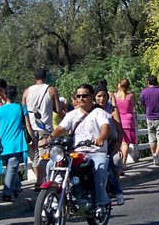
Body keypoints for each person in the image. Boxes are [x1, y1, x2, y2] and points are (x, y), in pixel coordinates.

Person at [50, 84, 112, 216]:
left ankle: (101, 203)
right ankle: (54, 198)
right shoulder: (72, 114)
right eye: (79, 96)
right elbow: (61, 128)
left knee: (99, 170)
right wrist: (49, 138)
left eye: (85, 95)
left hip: (96, 151)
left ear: (91, 97)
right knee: (52, 164)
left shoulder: (99, 113)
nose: (81, 98)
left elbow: (105, 128)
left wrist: (101, 138)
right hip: (77, 152)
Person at [23, 68, 63, 185]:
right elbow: (58, 109)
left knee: (36, 156)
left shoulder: (26, 92)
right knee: (45, 157)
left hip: (30, 129)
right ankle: (41, 182)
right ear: (45, 77)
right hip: (45, 129)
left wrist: (28, 126)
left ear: (34, 77)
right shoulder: (51, 90)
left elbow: (24, 112)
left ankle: (39, 181)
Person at [0, 85, 29, 201]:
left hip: (3, 142)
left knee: (10, 168)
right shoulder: (21, 108)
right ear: (15, 95)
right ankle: (7, 192)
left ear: (4, 95)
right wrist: (33, 139)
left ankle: (16, 187)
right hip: (16, 143)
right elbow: (28, 125)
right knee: (12, 167)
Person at [94, 87, 125, 205]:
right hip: (91, 146)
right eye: (98, 96)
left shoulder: (111, 109)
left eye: (104, 96)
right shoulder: (89, 109)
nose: (101, 99)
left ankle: (116, 190)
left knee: (112, 162)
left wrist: (117, 148)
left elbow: (119, 130)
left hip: (109, 144)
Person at [140, 75, 159, 166]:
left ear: (148, 82)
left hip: (149, 117)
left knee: (152, 138)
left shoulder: (144, 92)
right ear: (156, 81)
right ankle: (157, 154)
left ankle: (154, 156)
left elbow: (142, 104)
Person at [113, 78, 138, 167]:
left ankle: (118, 162)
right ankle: (123, 164)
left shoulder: (115, 96)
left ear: (119, 85)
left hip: (118, 121)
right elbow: (135, 104)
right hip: (128, 120)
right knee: (125, 143)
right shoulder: (130, 96)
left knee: (119, 142)